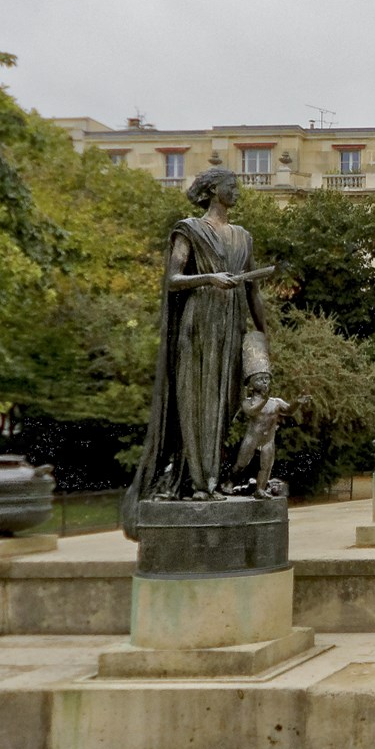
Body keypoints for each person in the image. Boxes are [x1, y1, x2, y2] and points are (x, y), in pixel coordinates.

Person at [130, 167, 275, 506]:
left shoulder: (243, 236)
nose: (237, 192)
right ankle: (198, 482)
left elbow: (253, 292)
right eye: (231, 186)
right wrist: (209, 278)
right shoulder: (191, 230)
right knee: (198, 402)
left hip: (231, 327)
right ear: (213, 190)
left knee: (224, 405)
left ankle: (211, 477)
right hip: (199, 326)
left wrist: (264, 336)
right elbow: (173, 279)